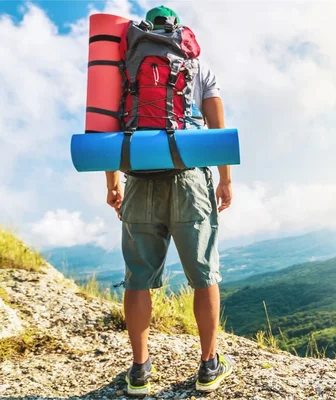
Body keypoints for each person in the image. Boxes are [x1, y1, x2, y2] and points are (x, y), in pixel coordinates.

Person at [104, 5, 234, 395]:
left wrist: (113, 183)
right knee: (203, 275)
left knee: (137, 279)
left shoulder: (126, 70)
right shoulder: (198, 67)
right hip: (189, 179)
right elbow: (216, 130)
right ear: (178, 31)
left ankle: (140, 371)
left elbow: (108, 128)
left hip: (139, 179)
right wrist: (225, 180)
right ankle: (208, 366)